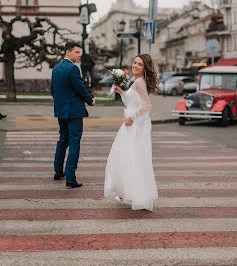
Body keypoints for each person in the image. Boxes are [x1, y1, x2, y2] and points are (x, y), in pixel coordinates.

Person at [104, 54, 159, 211]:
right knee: (128, 157)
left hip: (134, 125)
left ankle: (134, 192)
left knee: (131, 157)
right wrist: (122, 92)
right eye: (134, 62)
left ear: (145, 68)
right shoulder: (136, 81)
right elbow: (132, 102)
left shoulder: (140, 82)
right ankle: (127, 191)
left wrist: (132, 118)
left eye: (139, 64)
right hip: (132, 125)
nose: (135, 66)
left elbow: (147, 106)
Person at [50, 42, 95, 188]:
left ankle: (58, 171)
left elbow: (53, 90)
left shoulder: (56, 68)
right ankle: (70, 178)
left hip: (61, 111)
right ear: (67, 53)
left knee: (63, 139)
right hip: (74, 112)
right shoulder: (73, 69)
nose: (79, 55)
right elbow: (80, 88)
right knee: (74, 143)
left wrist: (61, 103)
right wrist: (90, 100)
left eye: (79, 52)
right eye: (76, 52)